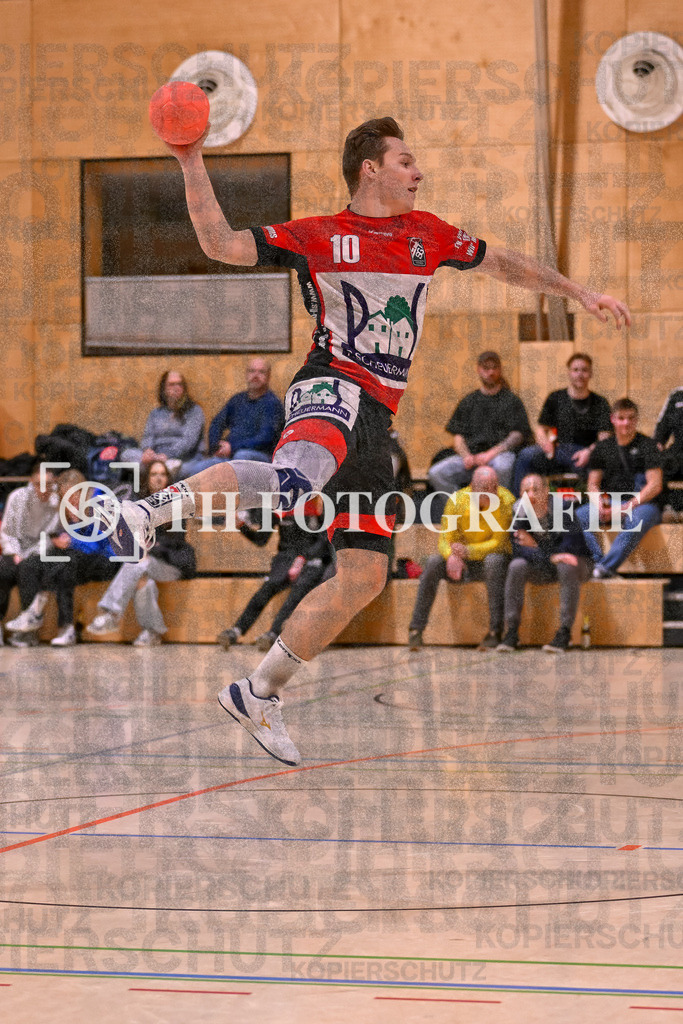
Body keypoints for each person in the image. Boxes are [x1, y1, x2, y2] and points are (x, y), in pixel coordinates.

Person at [97, 116, 630, 767]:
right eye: (406, 160)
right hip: (330, 388)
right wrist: (189, 158)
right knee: (290, 483)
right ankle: (144, 511)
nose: (418, 172)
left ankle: (258, 689)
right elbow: (219, 243)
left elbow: (503, 263)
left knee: (364, 576)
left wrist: (578, 291)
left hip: (377, 424)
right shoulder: (317, 235)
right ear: (370, 168)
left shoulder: (426, 234)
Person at [86, 461, 196, 646]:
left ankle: (110, 613)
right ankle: (152, 632)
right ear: (147, 478)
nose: (159, 477)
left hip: (173, 564)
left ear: (168, 479)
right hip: (147, 562)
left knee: (138, 563)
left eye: (162, 474)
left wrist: (148, 547)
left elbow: (175, 542)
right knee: (143, 579)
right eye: (154, 474)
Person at [5, 470, 119, 647]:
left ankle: (53, 620)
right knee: (32, 564)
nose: (71, 501)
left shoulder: (100, 501)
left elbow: (97, 544)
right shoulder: (67, 509)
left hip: (107, 559)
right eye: (66, 498)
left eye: (74, 496)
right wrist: (63, 539)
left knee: (66, 566)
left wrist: (71, 539)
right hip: (79, 556)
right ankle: (31, 623)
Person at [408, 466, 514, 652]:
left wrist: (467, 551)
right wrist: (451, 557)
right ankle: (416, 629)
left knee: (494, 561)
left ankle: (495, 631)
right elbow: (445, 540)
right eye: (485, 489)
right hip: (464, 561)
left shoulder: (507, 500)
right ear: (473, 488)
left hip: (491, 562)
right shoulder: (457, 500)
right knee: (433, 563)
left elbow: (498, 543)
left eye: (494, 487)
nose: (491, 493)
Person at [217, 501, 334, 653]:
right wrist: (241, 526)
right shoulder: (279, 505)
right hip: (286, 558)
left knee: (299, 590)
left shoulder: (319, 503)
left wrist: (304, 558)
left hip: (313, 559)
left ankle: (273, 633)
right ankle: (236, 631)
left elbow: (325, 538)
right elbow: (261, 539)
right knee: (267, 588)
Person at [497, 474, 593, 653]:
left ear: (547, 491)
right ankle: (511, 632)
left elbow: (569, 547)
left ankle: (565, 632)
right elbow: (519, 550)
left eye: (536, 490)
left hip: (579, 563)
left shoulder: (563, 508)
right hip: (546, 565)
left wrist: (536, 546)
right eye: (526, 491)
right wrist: (548, 555)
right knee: (516, 565)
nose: (531, 495)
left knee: (566, 564)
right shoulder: (519, 513)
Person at [575, 398, 663, 578]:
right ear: (612, 419)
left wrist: (626, 507)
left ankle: (605, 569)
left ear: (636, 420)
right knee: (579, 516)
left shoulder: (648, 446)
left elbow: (655, 485)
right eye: (621, 418)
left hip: (642, 504)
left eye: (631, 418)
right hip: (611, 502)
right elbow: (593, 483)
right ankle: (597, 562)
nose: (626, 423)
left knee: (637, 519)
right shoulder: (602, 448)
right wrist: (599, 503)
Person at [428, 351, 530, 502]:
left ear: (500, 370)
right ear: (478, 369)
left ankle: (500, 513)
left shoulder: (511, 401)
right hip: (471, 458)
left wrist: (489, 454)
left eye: (494, 368)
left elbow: (517, 436)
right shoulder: (468, 401)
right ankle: (460, 512)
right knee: (436, 473)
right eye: (486, 368)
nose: (490, 372)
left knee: (503, 466)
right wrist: (466, 456)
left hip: (498, 456)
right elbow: (458, 437)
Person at [511, 352, 612, 495]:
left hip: (585, 452)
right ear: (569, 373)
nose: (580, 374)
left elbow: (605, 438)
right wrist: (545, 444)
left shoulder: (600, 403)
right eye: (575, 370)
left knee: (600, 464)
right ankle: (519, 503)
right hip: (558, 450)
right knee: (526, 455)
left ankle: (588, 508)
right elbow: (541, 429)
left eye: (584, 370)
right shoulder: (555, 397)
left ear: (590, 374)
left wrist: (589, 452)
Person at [0, 459, 59, 645]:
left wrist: (26, 555)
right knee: (2, 571)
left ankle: (28, 630)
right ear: (31, 483)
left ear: (54, 483)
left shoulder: (57, 503)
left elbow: (50, 537)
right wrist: (15, 553)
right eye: (38, 484)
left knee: (30, 569)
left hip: (38, 552)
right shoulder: (17, 497)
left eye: (48, 484)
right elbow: (7, 531)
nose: (43, 489)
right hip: (14, 550)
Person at [121, 370, 207, 476]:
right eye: (171, 385)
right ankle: (160, 470)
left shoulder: (195, 411)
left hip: (183, 459)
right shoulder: (155, 413)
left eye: (179, 384)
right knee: (127, 454)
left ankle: (157, 472)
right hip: (156, 457)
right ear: (164, 389)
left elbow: (188, 442)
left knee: (185, 468)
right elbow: (148, 436)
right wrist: (148, 451)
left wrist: (167, 455)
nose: (176, 388)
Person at [654, 385, 683, 511]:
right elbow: (661, 431)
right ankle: (669, 506)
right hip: (679, 453)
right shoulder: (677, 395)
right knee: (655, 463)